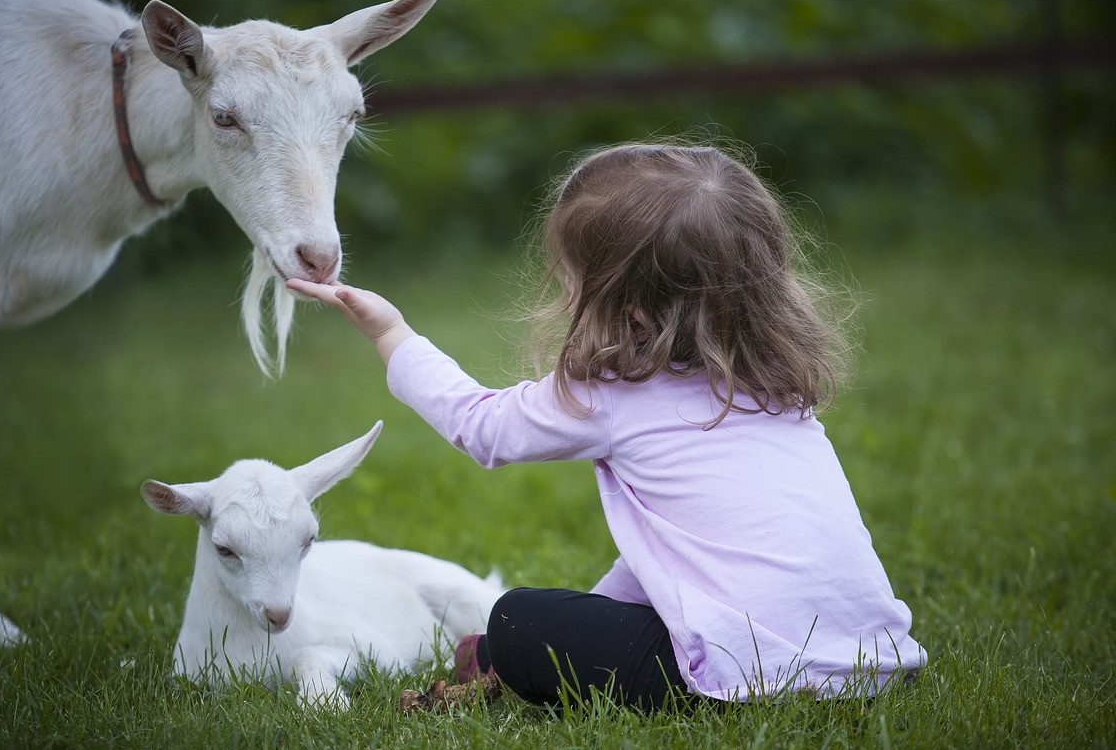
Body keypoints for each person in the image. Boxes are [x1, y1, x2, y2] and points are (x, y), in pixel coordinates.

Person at [287, 142, 926, 711]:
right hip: (870, 662)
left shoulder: (617, 396)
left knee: (516, 619)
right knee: (544, 622)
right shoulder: (780, 394)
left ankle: (502, 661)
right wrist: (592, 614)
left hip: (749, 677)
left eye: (572, 279)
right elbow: (673, 555)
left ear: (632, 306)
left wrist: (390, 333)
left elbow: (481, 426)